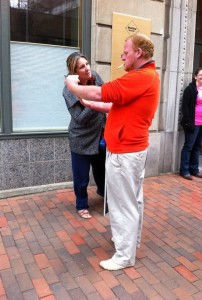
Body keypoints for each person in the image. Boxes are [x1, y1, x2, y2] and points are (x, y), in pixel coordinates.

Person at [65, 33, 160, 270]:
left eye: (125, 51)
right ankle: (129, 242)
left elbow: (100, 92)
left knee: (122, 204)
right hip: (131, 150)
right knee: (132, 201)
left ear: (139, 53)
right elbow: (110, 104)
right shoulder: (145, 77)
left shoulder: (139, 77)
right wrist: (89, 103)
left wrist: (71, 84)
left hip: (125, 152)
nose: (122, 55)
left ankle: (124, 255)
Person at [63, 52, 106, 219]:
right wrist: (95, 102)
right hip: (80, 138)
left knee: (102, 171)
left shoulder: (94, 76)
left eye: (87, 64)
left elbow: (105, 93)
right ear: (74, 71)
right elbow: (79, 119)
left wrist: (96, 100)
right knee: (81, 177)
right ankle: (81, 204)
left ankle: (103, 193)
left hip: (99, 136)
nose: (87, 68)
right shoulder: (69, 90)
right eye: (82, 66)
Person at [179, 67, 202, 180]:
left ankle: (194, 169)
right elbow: (185, 107)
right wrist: (188, 122)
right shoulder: (190, 89)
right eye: (201, 74)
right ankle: (184, 170)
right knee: (189, 146)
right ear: (195, 76)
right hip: (193, 123)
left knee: (197, 146)